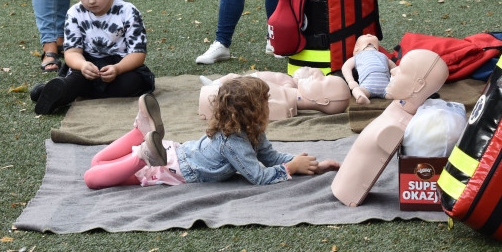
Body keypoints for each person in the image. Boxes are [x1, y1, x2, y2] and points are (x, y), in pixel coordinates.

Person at [84, 77, 340, 189]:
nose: (269, 105)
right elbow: (259, 177)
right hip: (171, 168)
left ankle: (139, 133)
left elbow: (270, 158)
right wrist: (291, 169)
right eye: (265, 101)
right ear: (251, 110)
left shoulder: (252, 130)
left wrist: (312, 165)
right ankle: (143, 155)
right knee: (92, 179)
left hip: (176, 153)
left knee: (98, 163)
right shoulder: (234, 142)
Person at [30, 0, 155, 115]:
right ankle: (58, 91)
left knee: (131, 83)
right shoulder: (74, 13)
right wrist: (83, 65)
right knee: (77, 79)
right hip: (88, 65)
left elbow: (138, 53)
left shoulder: (128, 11)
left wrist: (117, 69)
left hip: (121, 65)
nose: (91, 1)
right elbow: (72, 52)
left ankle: (61, 91)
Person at [331, 49, 449, 206]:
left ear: (419, 85)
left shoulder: (396, 127)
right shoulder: (396, 110)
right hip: (344, 188)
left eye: (402, 70)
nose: (392, 71)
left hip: (348, 193)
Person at [198, 69, 352, 120]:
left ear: (323, 101)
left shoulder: (282, 106)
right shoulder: (285, 95)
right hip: (214, 95)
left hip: (212, 98)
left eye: (323, 81)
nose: (318, 75)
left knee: (234, 79)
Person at [341, 34, 396, 104]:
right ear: (356, 49)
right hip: (371, 87)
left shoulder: (384, 56)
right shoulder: (358, 56)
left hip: (384, 88)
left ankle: (361, 95)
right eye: (366, 36)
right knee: (357, 89)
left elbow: (395, 69)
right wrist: (350, 81)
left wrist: (396, 81)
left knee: (396, 94)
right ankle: (361, 96)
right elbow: (346, 67)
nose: (369, 34)